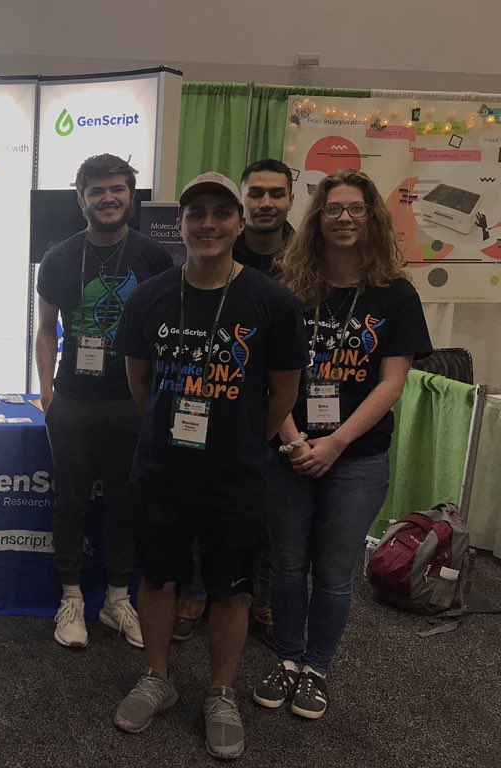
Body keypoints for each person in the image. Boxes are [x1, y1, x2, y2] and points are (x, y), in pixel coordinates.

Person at [113, 172, 307, 759]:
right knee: (157, 577)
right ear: (183, 224)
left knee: (231, 590)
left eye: (222, 213)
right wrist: (175, 438)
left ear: (239, 223)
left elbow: (283, 394)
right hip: (161, 471)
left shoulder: (272, 301)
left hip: (236, 475)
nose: (209, 224)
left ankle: (220, 690)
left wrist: (242, 442)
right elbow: (140, 384)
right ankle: (158, 677)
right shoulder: (149, 296)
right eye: (197, 213)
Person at [252, 170, 431, 720]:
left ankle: (316, 668)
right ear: (317, 218)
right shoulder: (288, 287)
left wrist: (334, 442)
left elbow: (392, 382)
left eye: (356, 208)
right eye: (334, 209)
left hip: (357, 457)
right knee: (285, 565)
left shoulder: (396, 294)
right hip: (289, 450)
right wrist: (294, 438)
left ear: (372, 216)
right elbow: (268, 372)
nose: (345, 218)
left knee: (332, 571)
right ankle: (285, 660)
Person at [35, 153, 173, 649]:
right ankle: (71, 598)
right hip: (73, 399)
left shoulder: (154, 258)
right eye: (97, 191)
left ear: (131, 196)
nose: (108, 198)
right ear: (81, 200)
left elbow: (164, 335)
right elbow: (46, 330)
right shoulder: (59, 258)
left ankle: (117, 599)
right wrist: (47, 393)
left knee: (125, 504)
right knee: (69, 503)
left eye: (117, 188)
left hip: (132, 403)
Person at [175, 158, 296, 644]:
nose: (266, 202)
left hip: (274, 410)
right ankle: (198, 590)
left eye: (276, 194)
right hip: (209, 407)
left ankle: (260, 595)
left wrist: (263, 431)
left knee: (265, 513)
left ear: (290, 200)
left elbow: (287, 375)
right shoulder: (211, 251)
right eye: (257, 193)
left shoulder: (304, 258)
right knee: (200, 507)